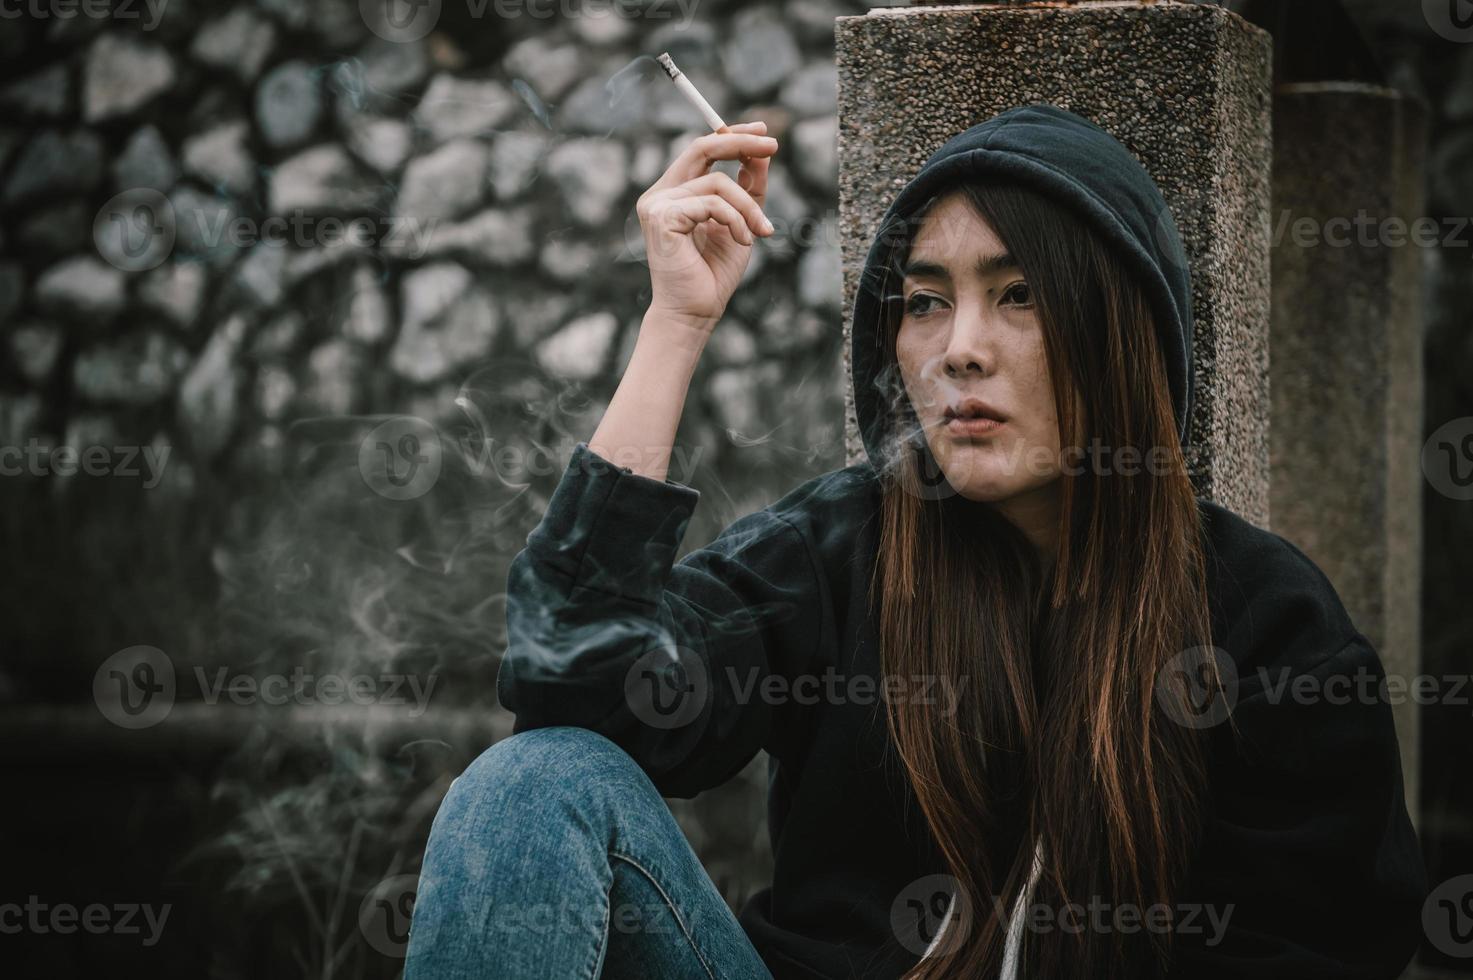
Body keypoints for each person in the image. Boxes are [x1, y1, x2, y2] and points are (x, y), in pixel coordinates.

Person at [402, 103, 1428, 979]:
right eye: (926, 301)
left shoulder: (1267, 622)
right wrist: (675, 322)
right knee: (532, 783)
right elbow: (572, 687)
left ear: (1119, 331)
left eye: (1018, 295)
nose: (959, 347)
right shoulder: (841, 545)